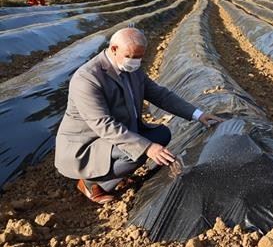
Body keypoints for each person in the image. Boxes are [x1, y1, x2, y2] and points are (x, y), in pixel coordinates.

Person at [55, 27, 224, 204]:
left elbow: (160, 95)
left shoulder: (132, 70)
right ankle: (91, 183)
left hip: (117, 134)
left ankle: (114, 173)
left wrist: (198, 114)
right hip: (88, 144)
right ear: (114, 49)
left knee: (161, 135)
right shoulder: (88, 78)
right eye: (131, 56)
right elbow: (103, 125)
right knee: (137, 151)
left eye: (139, 57)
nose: (135, 62)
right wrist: (147, 147)